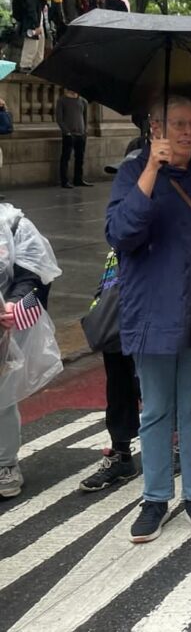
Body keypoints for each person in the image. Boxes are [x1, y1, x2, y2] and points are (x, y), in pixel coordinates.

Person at [107, 96, 191, 543]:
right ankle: (155, 498)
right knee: (158, 409)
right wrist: (150, 170)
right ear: (155, 128)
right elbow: (121, 233)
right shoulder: (133, 171)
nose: (187, 132)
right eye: (178, 124)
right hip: (154, 309)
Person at [0, 203, 61, 499]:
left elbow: (34, 273)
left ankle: (5, 464)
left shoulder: (13, 224)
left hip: (3, 328)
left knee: (1, 399)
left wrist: (14, 303)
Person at [77, 248, 142, 492]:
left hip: (149, 325)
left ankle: (178, 447)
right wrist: (98, 310)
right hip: (116, 325)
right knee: (118, 391)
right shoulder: (118, 240)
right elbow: (107, 279)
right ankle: (121, 456)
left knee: (155, 392)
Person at [55, 89, 93, 188]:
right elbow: (59, 119)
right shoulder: (62, 100)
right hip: (69, 135)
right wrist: (66, 132)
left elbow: (85, 118)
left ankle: (78, 179)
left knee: (80, 158)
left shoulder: (83, 101)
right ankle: (64, 181)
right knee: (65, 158)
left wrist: (85, 131)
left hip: (81, 134)